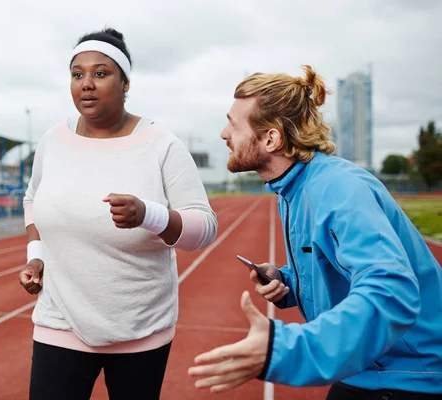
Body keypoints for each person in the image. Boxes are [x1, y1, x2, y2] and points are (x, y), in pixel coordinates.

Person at [187, 65, 442, 399]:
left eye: (233, 123)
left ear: (271, 138)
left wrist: (282, 350)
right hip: (370, 367)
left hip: (407, 376)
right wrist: (288, 281)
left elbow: (392, 291)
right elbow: (333, 260)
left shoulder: (338, 189)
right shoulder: (293, 189)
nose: (223, 133)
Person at [18, 27, 218, 400]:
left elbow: (204, 228)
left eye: (100, 73)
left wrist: (149, 215)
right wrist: (37, 257)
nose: (86, 84)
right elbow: (32, 199)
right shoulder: (52, 141)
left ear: (125, 83)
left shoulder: (161, 145)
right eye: (77, 75)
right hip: (59, 319)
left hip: (139, 328)